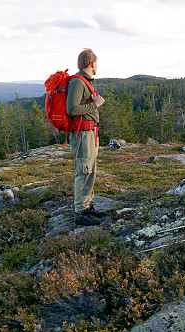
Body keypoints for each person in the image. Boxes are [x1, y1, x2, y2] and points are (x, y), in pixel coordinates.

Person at [67, 48, 106, 226]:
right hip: (82, 134)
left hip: (89, 133)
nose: (97, 66)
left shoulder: (85, 81)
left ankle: (87, 205)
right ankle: (80, 211)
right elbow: (72, 109)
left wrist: (93, 103)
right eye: (96, 62)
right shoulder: (77, 82)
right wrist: (95, 104)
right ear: (91, 63)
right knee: (84, 170)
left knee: (90, 169)